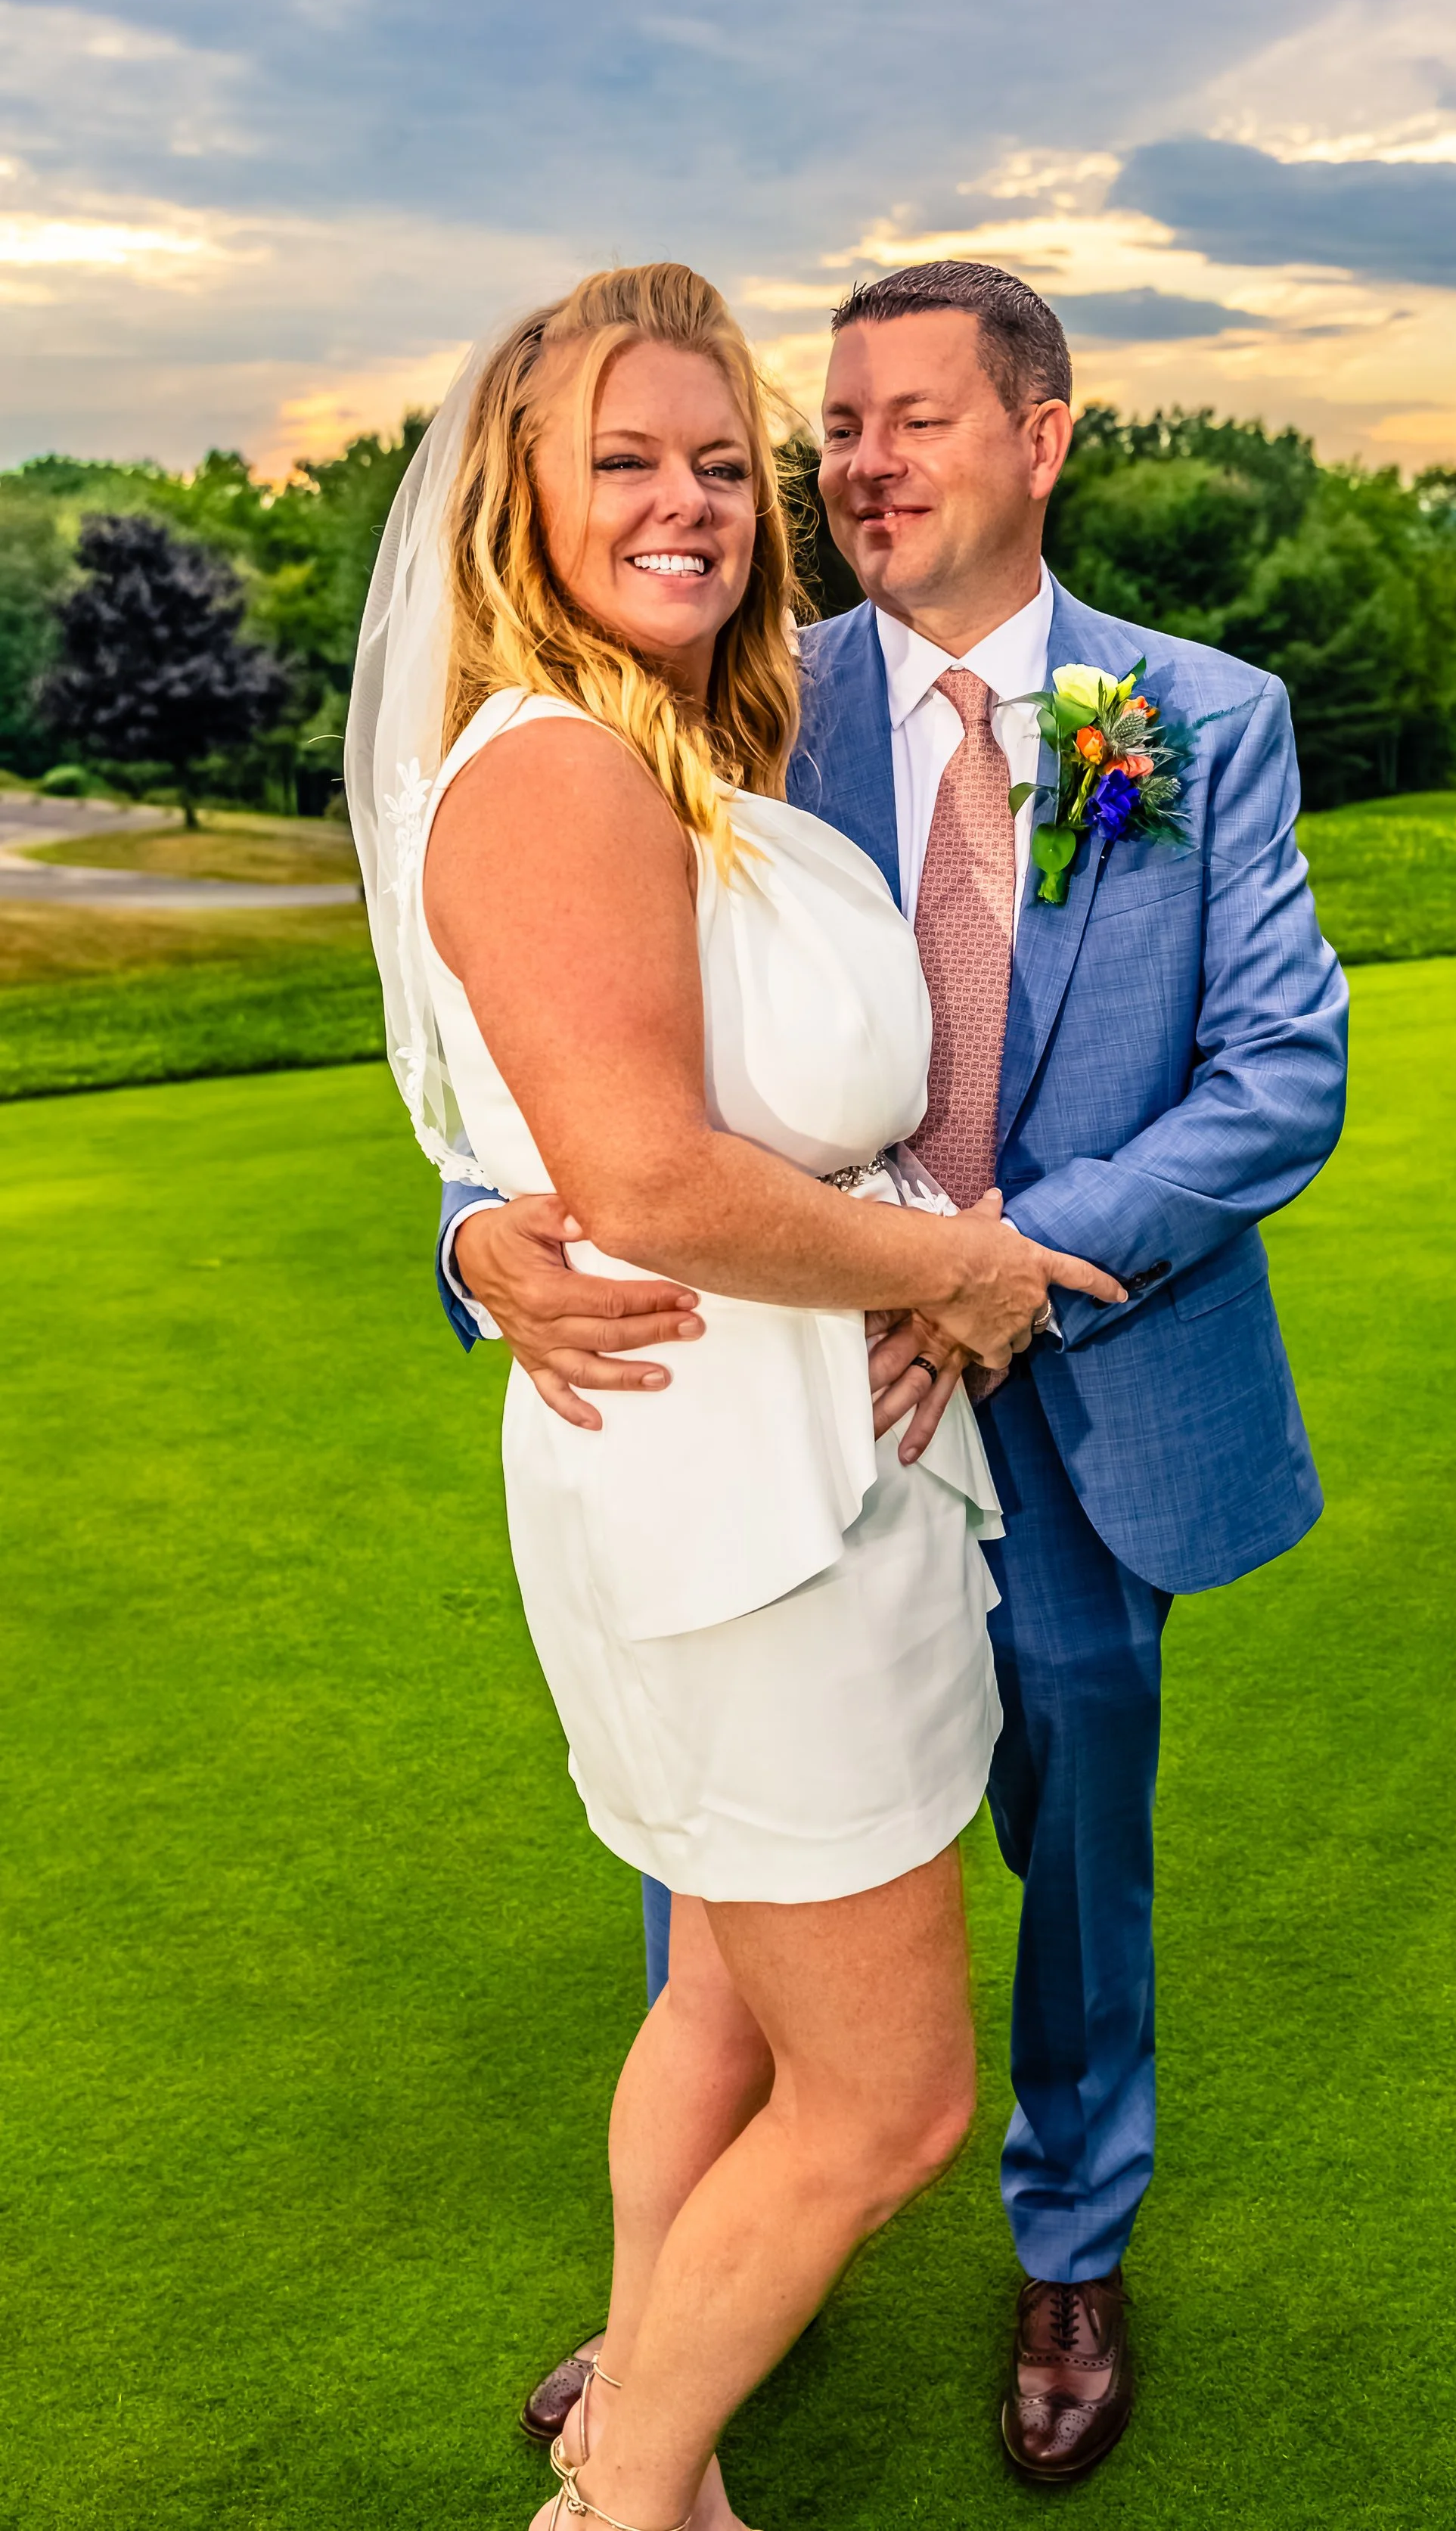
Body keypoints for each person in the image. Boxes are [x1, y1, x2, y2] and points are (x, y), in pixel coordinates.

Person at [447, 259, 1350, 2484]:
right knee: (734, 1898)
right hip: (777, 1429)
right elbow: (557, 1043)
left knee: (1080, 1850)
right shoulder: (734, 678)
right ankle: (699, 2304)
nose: (849, 460)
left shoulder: (1195, 715)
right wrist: (470, 1238)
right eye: (832, 419)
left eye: (910, 416)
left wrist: (1006, 1272)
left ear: (1044, 438)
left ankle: (1069, 2236)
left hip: (1080, 1393)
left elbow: (1276, 1072)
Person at [346, 259, 1122, 2531]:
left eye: (716, 458)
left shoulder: (677, 756)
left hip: (785, 1476)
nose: (688, 499)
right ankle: (620, 2495)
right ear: (521, 490)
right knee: (880, 2106)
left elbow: (601, 1135)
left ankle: (654, 2480)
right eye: (625, 457)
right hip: (738, 1497)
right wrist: (954, 1265)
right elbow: (656, 1172)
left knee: (722, 2011)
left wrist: (533, 1214)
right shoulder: (564, 769)